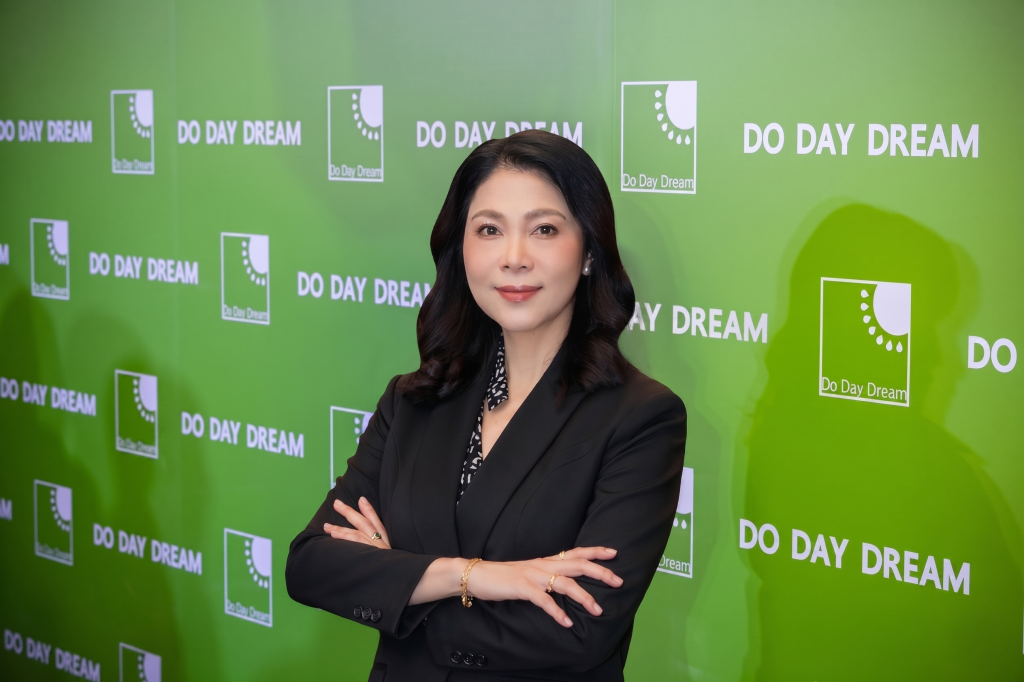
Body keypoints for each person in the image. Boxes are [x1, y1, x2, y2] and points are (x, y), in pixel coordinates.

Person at [286, 129, 687, 682]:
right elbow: (311, 565)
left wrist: (396, 579)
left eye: (544, 229)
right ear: (462, 250)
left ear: (590, 252)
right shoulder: (414, 400)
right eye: (489, 230)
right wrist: (473, 577)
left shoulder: (640, 417)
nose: (514, 259)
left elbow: (578, 629)